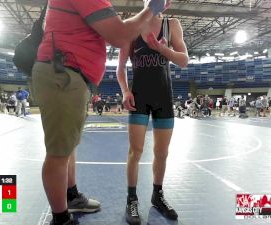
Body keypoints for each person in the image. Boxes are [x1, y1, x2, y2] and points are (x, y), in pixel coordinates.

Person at [31, 0, 170, 224]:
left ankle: (71, 196)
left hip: (68, 74)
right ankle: (60, 218)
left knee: (68, 146)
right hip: (62, 73)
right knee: (58, 152)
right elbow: (119, 35)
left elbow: (114, 30)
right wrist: (152, 9)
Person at [116, 1, 188, 223]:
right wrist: (126, 91)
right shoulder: (132, 26)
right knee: (135, 151)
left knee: (162, 153)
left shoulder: (172, 24)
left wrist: (161, 49)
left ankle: (157, 195)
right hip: (139, 97)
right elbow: (120, 69)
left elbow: (184, 60)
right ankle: (131, 200)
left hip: (164, 97)